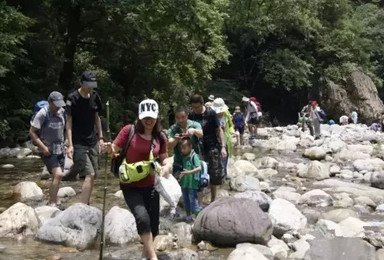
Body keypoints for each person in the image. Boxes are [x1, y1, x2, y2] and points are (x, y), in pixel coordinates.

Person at [103, 99, 170, 260]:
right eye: (145, 117)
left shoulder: (160, 137)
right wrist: (109, 149)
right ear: (140, 117)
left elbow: (165, 158)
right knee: (142, 218)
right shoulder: (129, 131)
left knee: (153, 226)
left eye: (152, 117)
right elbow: (115, 149)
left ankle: (144, 256)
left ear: (157, 118)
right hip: (130, 185)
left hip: (152, 185)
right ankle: (152, 257)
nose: (148, 121)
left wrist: (167, 167)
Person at [65, 71, 104, 205]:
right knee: (89, 174)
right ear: (81, 83)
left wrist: (101, 138)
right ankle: (83, 206)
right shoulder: (72, 98)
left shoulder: (95, 96)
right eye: (88, 84)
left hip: (92, 140)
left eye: (92, 85)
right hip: (78, 142)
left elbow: (97, 118)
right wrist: (70, 144)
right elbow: (68, 122)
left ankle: (87, 202)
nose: (90, 88)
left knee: (94, 175)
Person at [30, 91, 66, 208]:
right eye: (56, 104)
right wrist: (43, 147)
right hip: (47, 150)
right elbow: (32, 132)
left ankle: (53, 197)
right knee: (58, 175)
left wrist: (68, 144)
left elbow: (65, 128)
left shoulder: (62, 112)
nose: (58, 107)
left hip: (60, 148)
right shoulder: (42, 114)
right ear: (50, 103)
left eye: (60, 104)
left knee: (55, 175)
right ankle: (52, 203)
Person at [189, 94, 226, 203]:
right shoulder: (191, 114)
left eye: (198, 107)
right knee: (199, 175)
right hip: (197, 149)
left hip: (212, 147)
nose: (196, 110)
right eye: (193, 107)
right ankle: (199, 203)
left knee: (214, 174)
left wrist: (223, 147)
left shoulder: (210, 113)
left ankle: (213, 200)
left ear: (202, 104)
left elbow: (219, 130)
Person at [167, 105, 203, 216]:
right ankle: (183, 209)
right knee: (177, 184)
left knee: (198, 185)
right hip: (179, 161)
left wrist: (194, 131)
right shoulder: (173, 128)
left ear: (187, 115)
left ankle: (198, 209)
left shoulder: (194, 124)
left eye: (183, 117)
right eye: (178, 118)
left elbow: (202, 134)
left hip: (194, 159)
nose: (181, 120)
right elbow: (169, 145)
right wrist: (176, 139)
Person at [178, 138, 202, 222]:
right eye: (181, 148)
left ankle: (197, 217)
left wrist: (189, 172)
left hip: (192, 184)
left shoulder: (194, 156)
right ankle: (188, 216)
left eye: (184, 147)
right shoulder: (184, 156)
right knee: (185, 200)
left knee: (193, 200)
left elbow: (199, 168)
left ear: (190, 146)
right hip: (185, 183)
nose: (182, 150)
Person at [211, 98, 234, 177]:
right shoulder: (211, 116)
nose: (220, 113)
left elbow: (230, 125)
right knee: (215, 162)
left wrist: (232, 131)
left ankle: (223, 176)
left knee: (225, 159)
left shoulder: (226, 114)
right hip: (214, 141)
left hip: (225, 140)